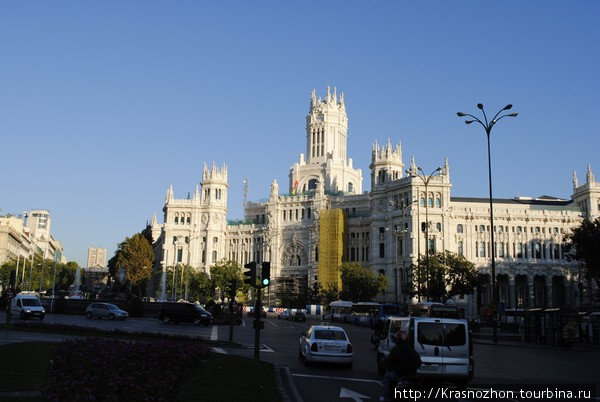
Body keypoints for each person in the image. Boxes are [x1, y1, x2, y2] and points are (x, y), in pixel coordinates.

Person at [380, 330, 422, 402]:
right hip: (411, 375)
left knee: (387, 377)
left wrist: (385, 363)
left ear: (398, 339)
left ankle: (386, 398)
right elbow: (419, 363)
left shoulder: (396, 350)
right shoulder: (413, 351)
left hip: (399, 374)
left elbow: (389, 363)